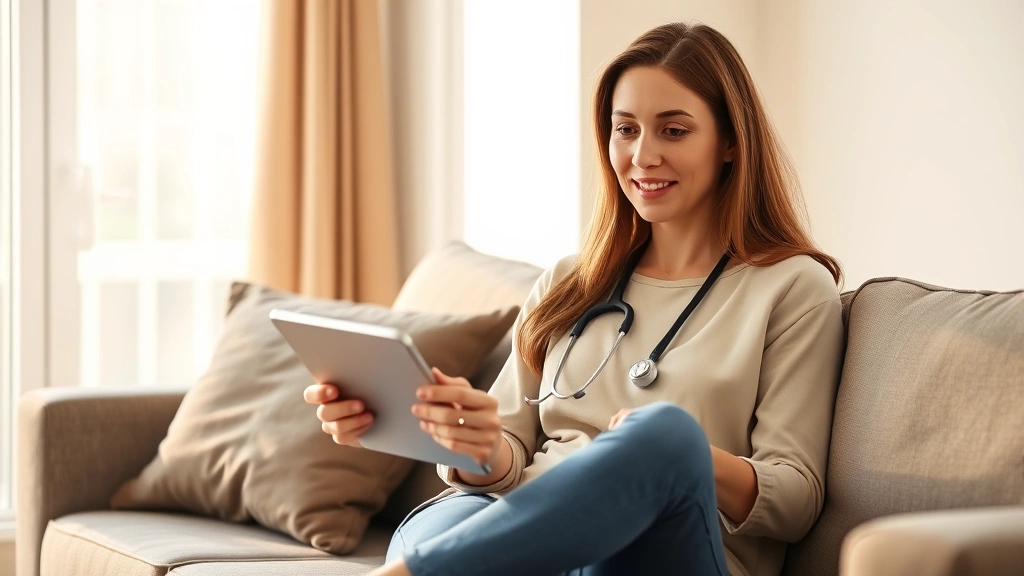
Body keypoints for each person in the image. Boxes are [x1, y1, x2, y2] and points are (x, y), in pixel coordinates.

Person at [304, 21, 845, 576]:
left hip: (657, 549)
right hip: (523, 538)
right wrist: (473, 440)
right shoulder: (570, 280)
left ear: (730, 141)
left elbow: (796, 500)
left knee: (664, 433)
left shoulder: (793, 287)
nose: (643, 156)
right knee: (440, 522)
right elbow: (507, 455)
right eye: (626, 129)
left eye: (674, 130)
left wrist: (670, 459)